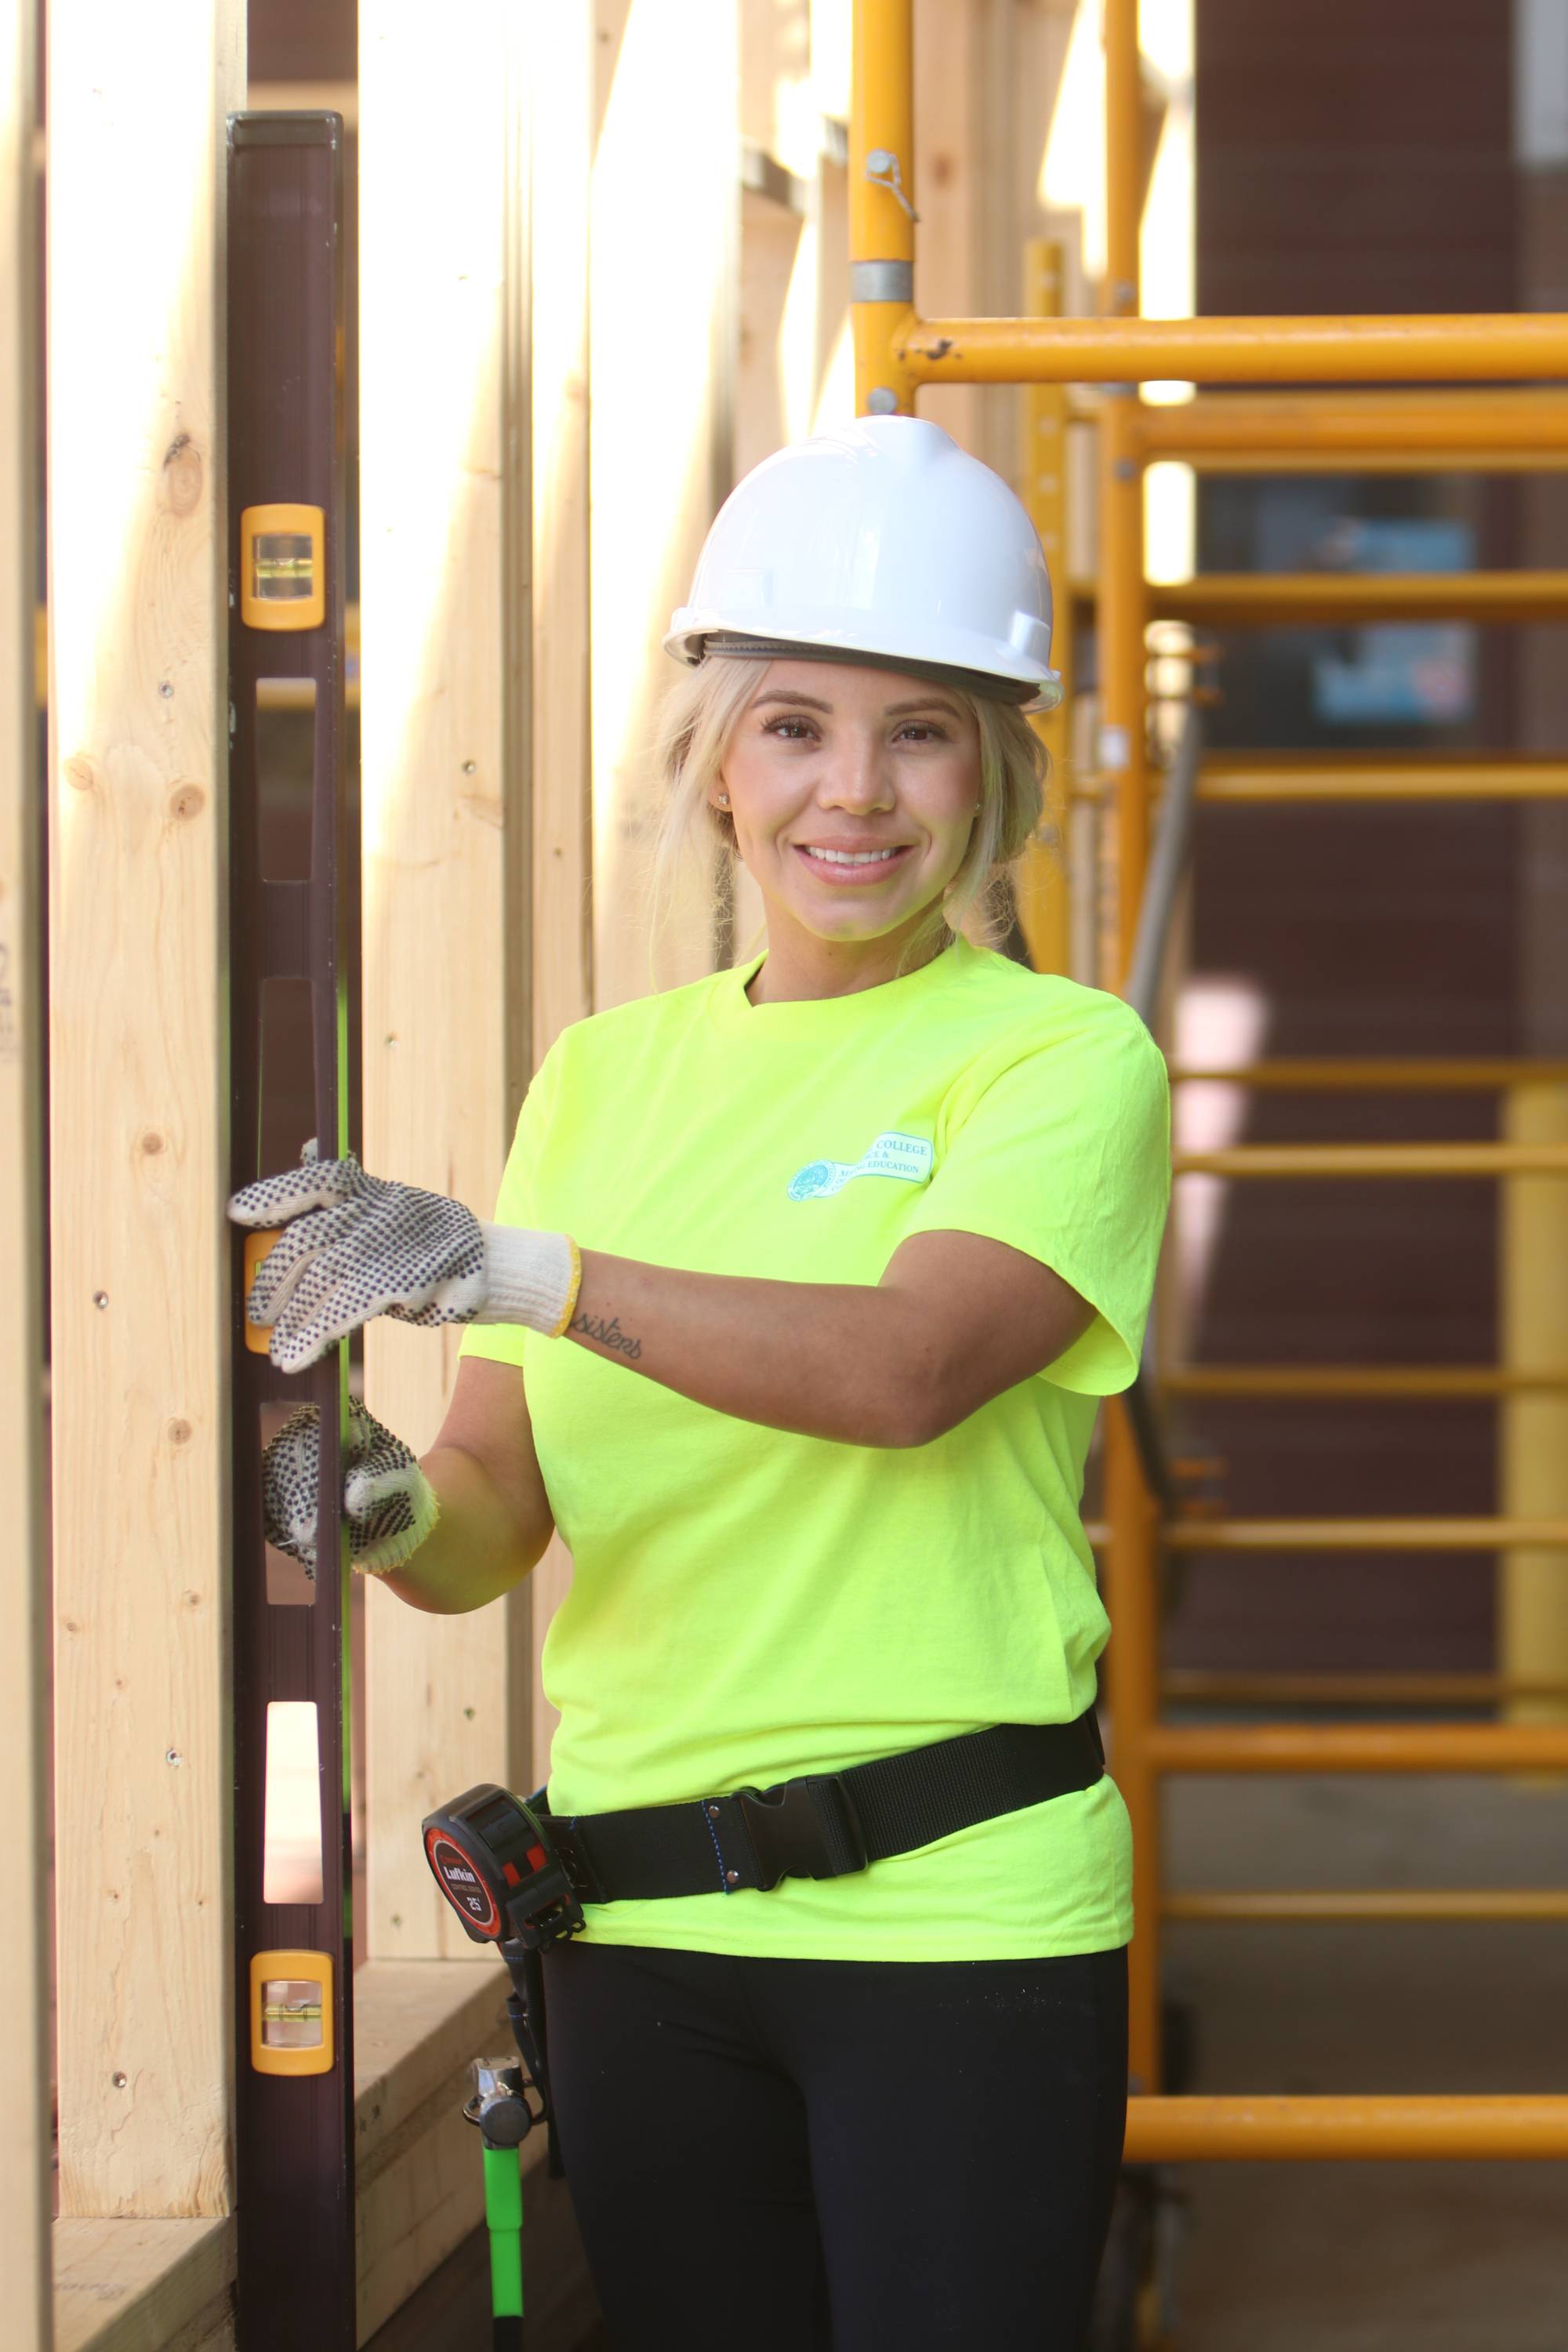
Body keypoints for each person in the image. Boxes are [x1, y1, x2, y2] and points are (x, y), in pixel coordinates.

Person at [230, 415, 1170, 2351]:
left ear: (999, 769)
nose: (856, 793)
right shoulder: (607, 1074)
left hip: (952, 1918)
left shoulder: (1058, 1063)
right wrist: (382, 1499)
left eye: (920, 730)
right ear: (714, 761)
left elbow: (908, 1370)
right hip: (638, 1926)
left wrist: (511, 1267)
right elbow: (499, 1509)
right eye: (795, 725)